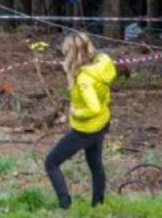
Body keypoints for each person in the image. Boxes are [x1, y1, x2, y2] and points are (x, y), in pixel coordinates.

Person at [45, 32, 116, 209]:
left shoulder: (85, 79)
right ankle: (97, 205)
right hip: (102, 122)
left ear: (72, 53)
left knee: (51, 163)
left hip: (85, 129)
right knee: (95, 163)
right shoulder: (102, 63)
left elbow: (92, 108)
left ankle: (65, 205)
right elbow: (102, 100)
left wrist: (75, 112)